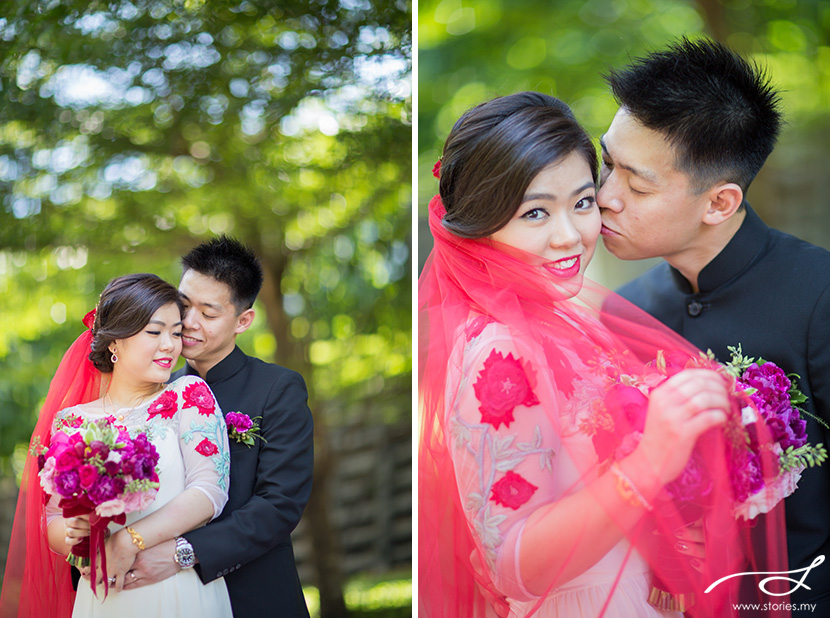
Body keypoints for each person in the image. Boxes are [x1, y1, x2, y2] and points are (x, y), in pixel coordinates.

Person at [418, 92, 789, 618]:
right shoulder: (500, 351)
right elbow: (514, 565)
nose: (569, 236)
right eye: (535, 212)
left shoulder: (569, 326)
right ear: (482, 222)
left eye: (583, 202)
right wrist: (649, 462)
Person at [599, 37, 830, 611]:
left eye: (637, 184)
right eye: (607, 165)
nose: (604, 197)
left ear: (720, 203)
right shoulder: (621, 314)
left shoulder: (820, 294)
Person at [0, 273, 232, 618]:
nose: (170, 345)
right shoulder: (72, 421)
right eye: (154, 332)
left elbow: (210, 492)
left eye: (176, 332)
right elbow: (53, 520)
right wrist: (78, 538)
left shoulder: (189, 396)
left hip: (179, 587)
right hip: (105, 593)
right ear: (115, 342)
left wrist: (128, 540)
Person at [122, 236, 314, 618]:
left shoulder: (277, 389)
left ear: (243, 320)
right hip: (165, 600)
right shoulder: (154, 393)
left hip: (253, 597)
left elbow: (279, 505)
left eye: (208, 314)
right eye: (184, 305)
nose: (189, 323)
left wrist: (181, 555)